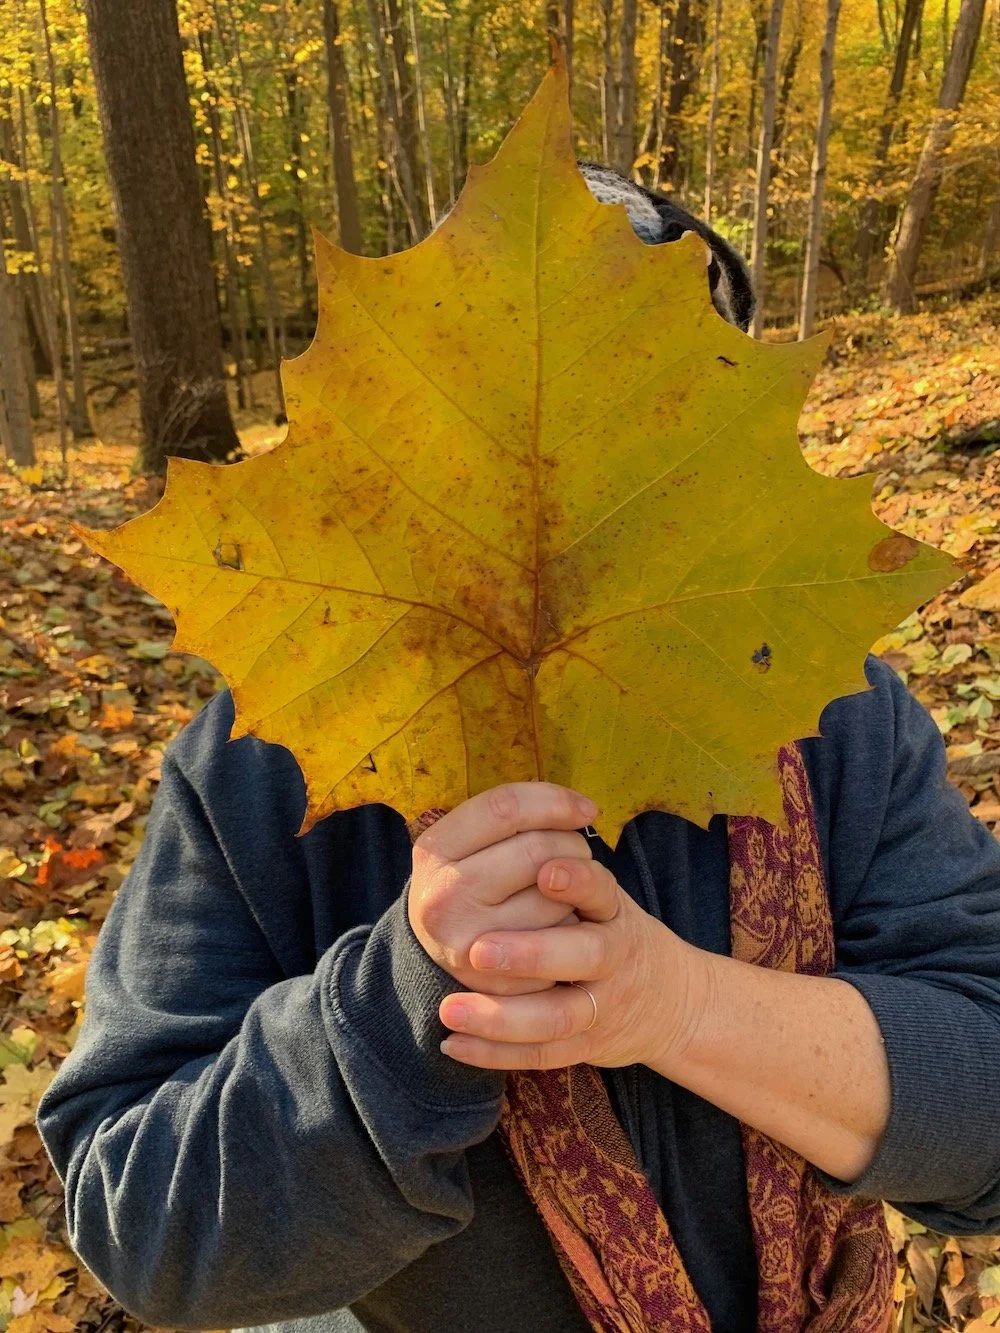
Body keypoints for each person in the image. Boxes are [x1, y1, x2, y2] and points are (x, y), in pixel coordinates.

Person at [37, 165, 1000, 1333]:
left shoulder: (833, 715)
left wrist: (675, 1005)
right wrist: (405, 1007)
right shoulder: (262, 760)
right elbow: (142, 1224)